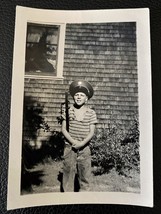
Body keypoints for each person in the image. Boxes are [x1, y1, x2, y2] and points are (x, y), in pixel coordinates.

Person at [61, 80, 98, 192]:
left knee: (85, 175)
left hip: (84, 148)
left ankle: (84, 198)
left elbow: (91, 132)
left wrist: (81, 144)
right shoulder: (68, 111)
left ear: (86, 98)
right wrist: (73, 142)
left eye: (82, 95)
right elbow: (63, 129)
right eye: (76, 95)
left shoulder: (91, 113)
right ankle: (67, 198)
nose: (79, 97)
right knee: (68, 172)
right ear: (73, 97)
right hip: (69, 147)